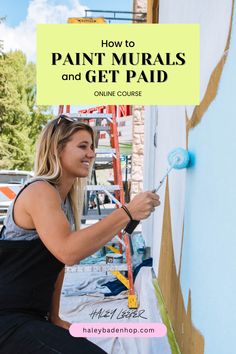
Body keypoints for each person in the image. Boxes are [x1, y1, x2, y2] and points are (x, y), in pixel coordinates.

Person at [0, 115, 160, 354]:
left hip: (28, 317)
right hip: (8, 319)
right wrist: (127, 212)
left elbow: (56, 265)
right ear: (57, 149)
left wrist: (54, 317)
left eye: (92, 147)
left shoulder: (62, 201)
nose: (92, 154)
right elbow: (68, 252)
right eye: (83, 146)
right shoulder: (40, 191)